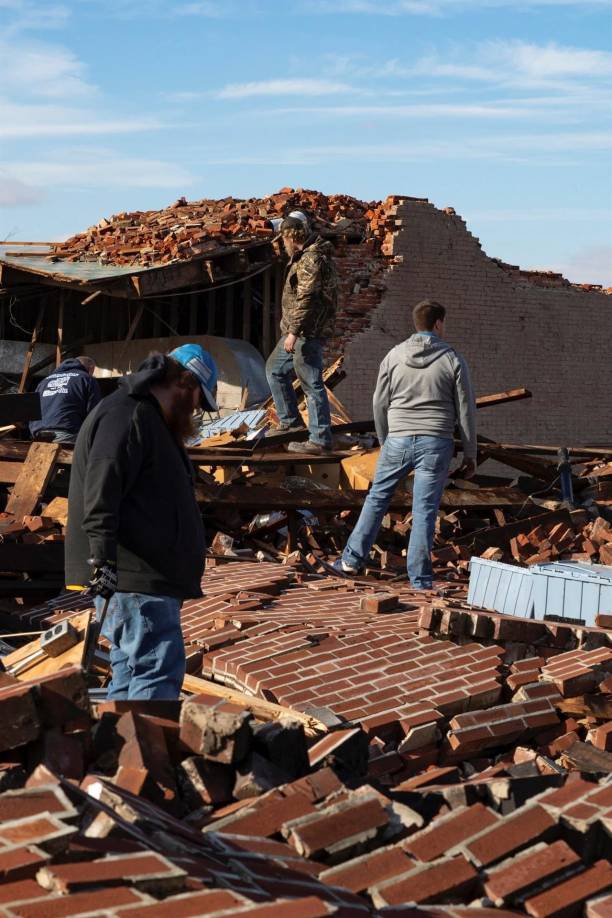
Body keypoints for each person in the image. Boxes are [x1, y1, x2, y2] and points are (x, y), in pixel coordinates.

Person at [65, 343, 218, 700]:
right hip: (134, 579)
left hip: (142, 580)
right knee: (156, 669)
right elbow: (100, 491)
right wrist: (103, 563)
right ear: (183, 382)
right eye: (199, 398)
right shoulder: (127, 414)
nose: (198, 409)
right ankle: (145, 755)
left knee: (131, 672)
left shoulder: (149, 418)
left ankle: (121, 751)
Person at [333, 300, 477, 590]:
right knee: (424, 508)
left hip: (397, 439)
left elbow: (379, 402)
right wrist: (470, 453)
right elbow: (465, 410)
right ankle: (420, 581)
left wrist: (386, 441)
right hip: (436, 442)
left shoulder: (393, 356)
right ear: (438, 324)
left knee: (377, 499)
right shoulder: (452, 359)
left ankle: (350, 561)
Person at [265, 210, 338, 456]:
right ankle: (290, 422)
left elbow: (306, 298)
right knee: (274, 370)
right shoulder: (304, 255)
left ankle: (319, 440)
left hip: (307, 331)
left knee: (311, 382)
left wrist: (293, 333)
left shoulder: (311, 259)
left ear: (291, 236)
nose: (282, 244)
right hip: (298, 330)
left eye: (283, 239)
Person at [30, 356, 101, 444]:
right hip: (66, 432)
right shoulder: (86, 379)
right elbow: (94, 413)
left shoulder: (45, 381)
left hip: (38, 434)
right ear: (90, 368)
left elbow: (32, 409)